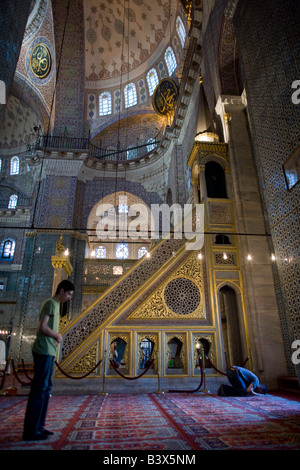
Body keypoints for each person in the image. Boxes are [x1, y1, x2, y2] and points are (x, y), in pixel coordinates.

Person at [23, 279, 74, 441]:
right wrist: (57, 335)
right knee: (39, 390)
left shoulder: (57, 306)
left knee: (45, 389)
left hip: (49, 350)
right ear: (62, 290)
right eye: (69, 294)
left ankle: (39, 426)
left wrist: (55, 338)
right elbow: (43, 327)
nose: (69, 297)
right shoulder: (51, 303)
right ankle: (31, 430)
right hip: (43, 350)